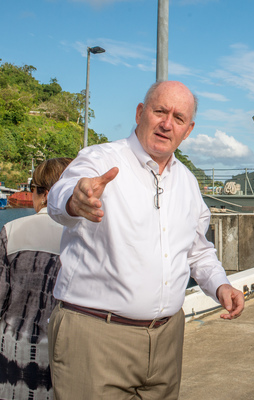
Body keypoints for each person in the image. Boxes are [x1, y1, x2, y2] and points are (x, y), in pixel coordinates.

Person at [46, 80, 244, 399]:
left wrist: (220, 284)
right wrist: (74, 200)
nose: (167, 123)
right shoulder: (100, 159)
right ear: (141, 113)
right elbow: (60, 196)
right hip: (95, 339)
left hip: (166, 342)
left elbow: (197, 251)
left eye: (178, 118)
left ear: (188, 130)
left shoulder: (188, 183)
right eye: (160, 111)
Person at [0, 157, 73, 399]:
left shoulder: (11, 231)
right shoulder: (85, 238)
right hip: (66, 355)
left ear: (44, 194)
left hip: (14, 351)